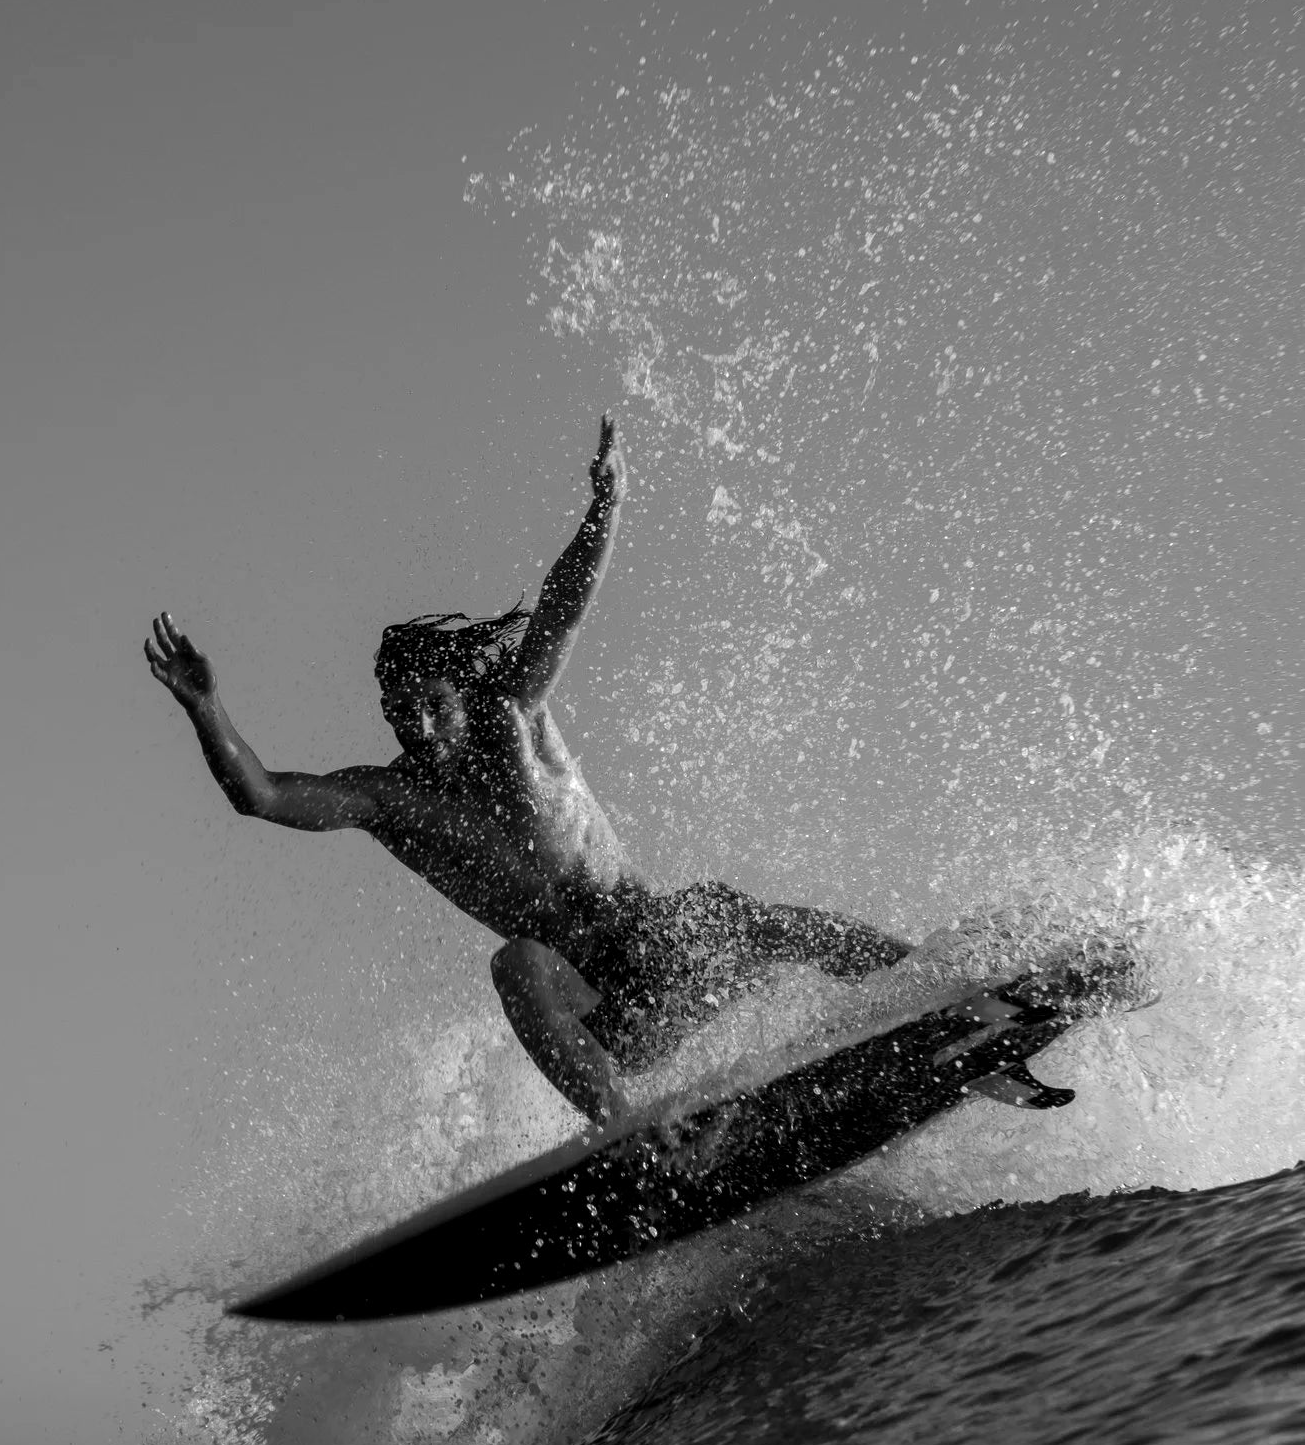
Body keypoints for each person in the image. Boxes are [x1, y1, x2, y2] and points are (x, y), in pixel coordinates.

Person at [144, 417, 911, 1125]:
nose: (417, 725)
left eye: (432, 704)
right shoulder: (393, 799)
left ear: (462, 690)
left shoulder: (512, 717)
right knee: (517, 964)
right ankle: (629, 1133)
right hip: (599, 1008)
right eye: (399, 711)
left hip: (666, 951)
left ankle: (925, 979)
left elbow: (563, 607)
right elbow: (262, 794)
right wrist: (206, 707)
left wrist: (606, 505)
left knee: (728, 912)